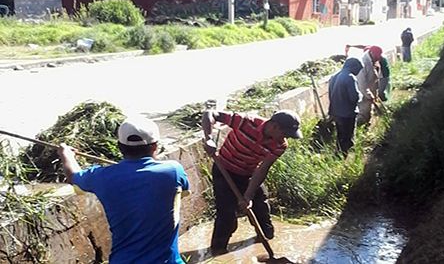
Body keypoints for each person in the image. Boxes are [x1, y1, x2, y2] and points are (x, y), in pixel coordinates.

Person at [57, 116, 190, 264]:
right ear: (155, 146)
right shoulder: (173, 170)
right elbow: (183, 192)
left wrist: (66, 155)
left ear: (120, 147)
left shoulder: (102, 176)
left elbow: (73, 176)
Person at [201, 109, 302, 256]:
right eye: (284, 133)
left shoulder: (280, 145)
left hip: (248, 174)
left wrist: (248, 195)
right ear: (274, 126)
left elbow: (262, 169)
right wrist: (208, 137)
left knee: (261, 206)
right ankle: (218, 250)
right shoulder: (246, 122)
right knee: (227, 214)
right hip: (224, 171)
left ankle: (266, 238)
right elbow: (210, 113)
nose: (285, 138)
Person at [328, 57, 363, 155]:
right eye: (358, 69)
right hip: (347, 113)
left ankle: (338, 155)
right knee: (347, 137)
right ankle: (344, 157)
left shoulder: (335, 76)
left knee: (340, 136)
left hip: (336, 112)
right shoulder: (350, 77)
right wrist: (361, 95)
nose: (358, 72)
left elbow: (330, 94)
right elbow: (354, 97)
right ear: (354, 67)